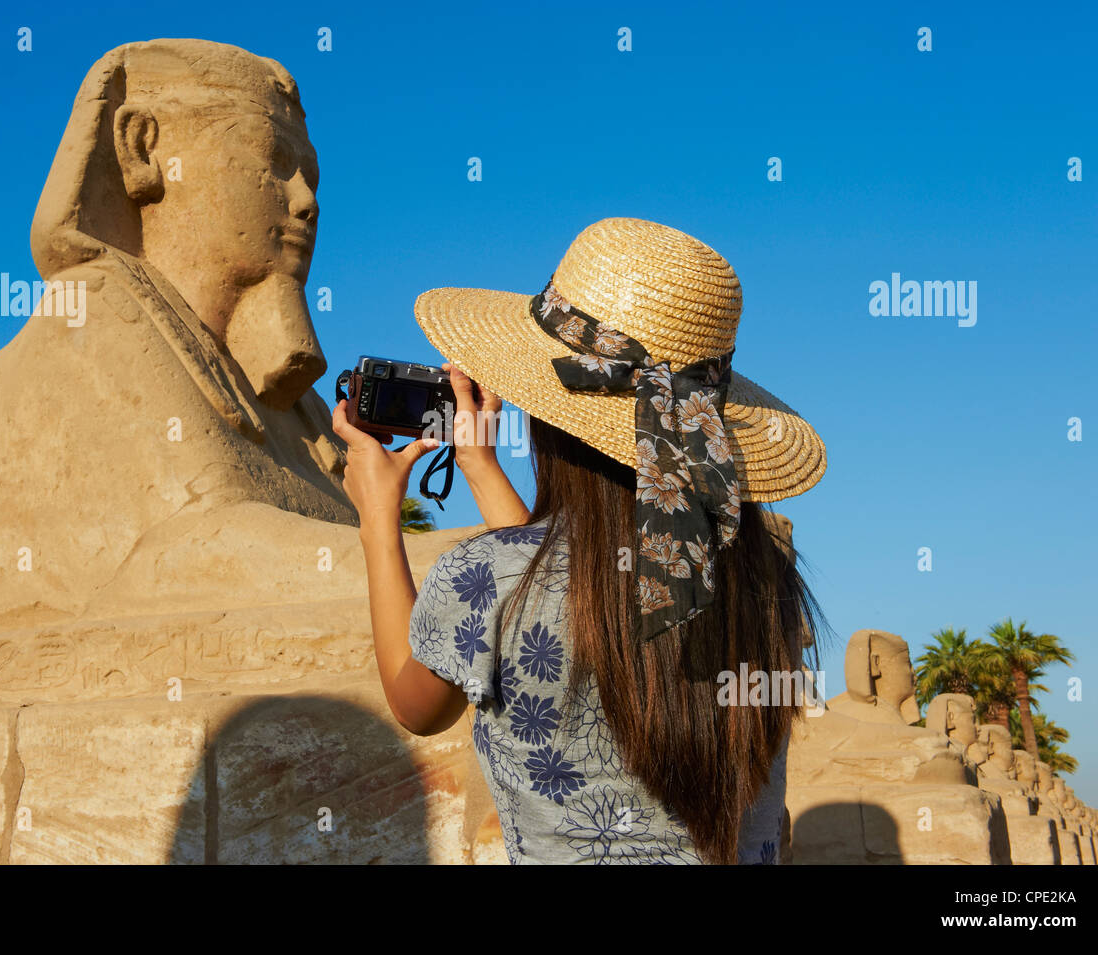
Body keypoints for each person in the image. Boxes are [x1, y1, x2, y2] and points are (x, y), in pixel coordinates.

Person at [332, 217, 828, 864]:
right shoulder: (764, 581)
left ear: (549, 417)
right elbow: (564, 573)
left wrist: (377, 515)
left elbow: (416, 704)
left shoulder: (487, 578)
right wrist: (480, 465)